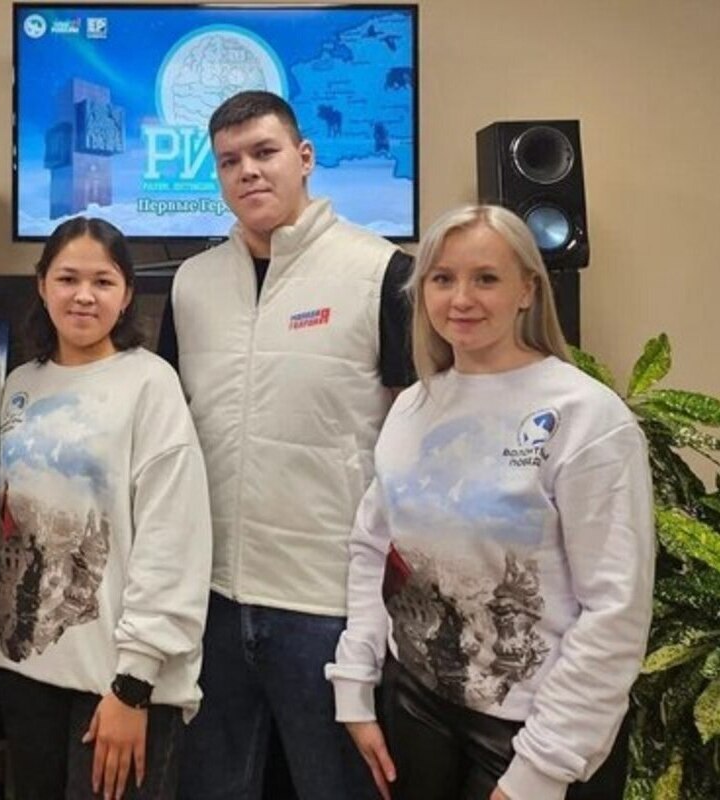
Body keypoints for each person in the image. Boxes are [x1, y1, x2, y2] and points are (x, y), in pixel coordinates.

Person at [325, 204, 654, 800]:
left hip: (536, 733)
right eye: (442, 278)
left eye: (486, 278)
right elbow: (373, 549)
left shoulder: (587, 417)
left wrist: (541, 769)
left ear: (527, 289)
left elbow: (615, 611)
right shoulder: (413, 406)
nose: (461, 299)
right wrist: (355, 685)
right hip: (419, 709)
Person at [161, 90, 412, 799]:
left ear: (304, 157)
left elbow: (415, 440)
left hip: (328, 607)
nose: (248, 171)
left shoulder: (382, 273)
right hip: (211, 603)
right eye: (229, 161)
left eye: (264, 152)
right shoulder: (190, 285)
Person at [0, 217, 212, 800]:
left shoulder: (149, 383)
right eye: (67, 278)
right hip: (26, 669)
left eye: (103, 281)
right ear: (42, 285)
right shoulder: (20, 385)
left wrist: (134, 683)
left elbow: (174, 538)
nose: (83, 295)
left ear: (127, 293)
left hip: (119, 684)